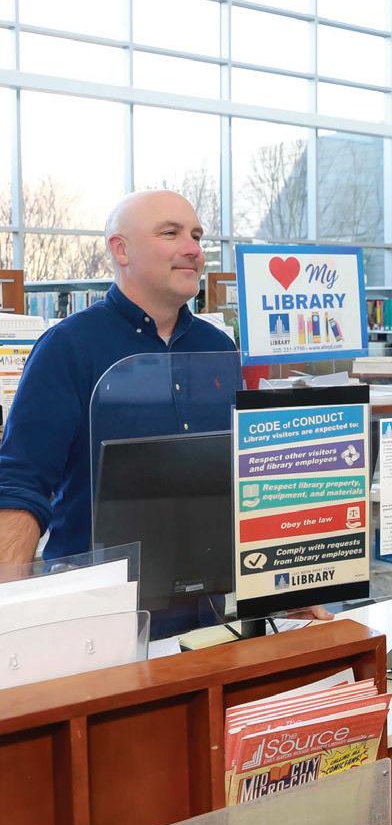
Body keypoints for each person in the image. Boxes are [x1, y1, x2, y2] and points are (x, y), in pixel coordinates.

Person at [0, 190, 237, 566]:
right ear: (121, 249)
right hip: (95, 591)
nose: (193, 249)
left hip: (210, 588)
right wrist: (11, 594)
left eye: (196, 235)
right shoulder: (68, 347)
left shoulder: (219, 349)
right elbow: (20, 483)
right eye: (170, 233)